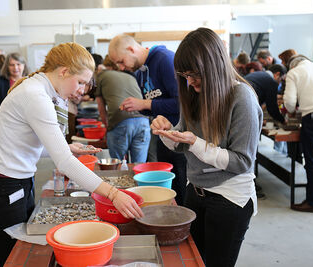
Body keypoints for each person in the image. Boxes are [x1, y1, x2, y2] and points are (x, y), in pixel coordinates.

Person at [0, 43, 143, 267]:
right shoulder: (35, 95)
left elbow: (28, 146)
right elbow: (64, 163)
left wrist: (65, 146)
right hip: (1, 191)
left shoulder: (38, 89)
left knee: (22, 256)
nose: (81, 90)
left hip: (15, 186)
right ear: (63, 71)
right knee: (12, 260)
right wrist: (112, 194)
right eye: (80, 82)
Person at [151, 28, 262, 266]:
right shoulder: (194, 93)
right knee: (193, 260)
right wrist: (165, 132)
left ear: (213, 65)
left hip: (230, 198)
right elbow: (182, 145)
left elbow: (242, 161)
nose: (189, 81)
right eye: (184, 75)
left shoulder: (242, 97)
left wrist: (196, 143)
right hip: (196, 192)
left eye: (194, 74)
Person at [109, 34, 187, 205]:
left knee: (182, 190)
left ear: (131, 49)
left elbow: (181, 103)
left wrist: (144, 103)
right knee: (169, 191)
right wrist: (139, 107)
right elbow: (154, 105)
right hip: (164, 137)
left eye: (121, 61)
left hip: (182, 137)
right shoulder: (140, 73)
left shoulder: (164, 59)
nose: (122, 67)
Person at [284, 55, 313, 213]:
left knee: (312, 159)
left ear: (292, 66)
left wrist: (292, 111)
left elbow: (288, 102)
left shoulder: (294, 73)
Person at [95, 55, 150, 163]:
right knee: (138, 167)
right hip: (143, 121)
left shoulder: (101, 75)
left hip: (120, 121)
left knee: (117, 165)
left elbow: (100, 106)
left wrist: (107, 126)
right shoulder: (130, 76)